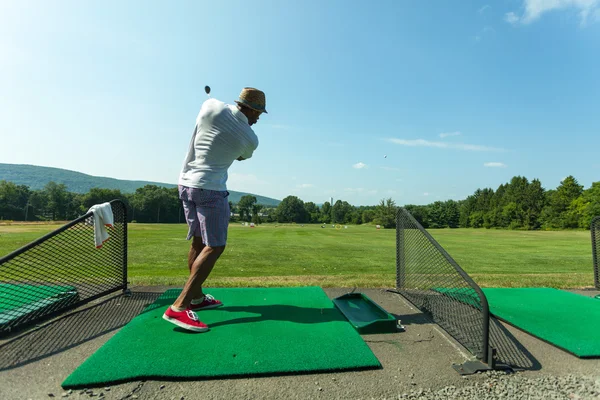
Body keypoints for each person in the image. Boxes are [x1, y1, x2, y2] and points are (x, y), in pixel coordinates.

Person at [163, 87, 267, 332]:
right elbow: (242, 156)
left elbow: (210, 111)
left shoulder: (210, 106)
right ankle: (179, 307)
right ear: (250, 108)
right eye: (258, 113)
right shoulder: (250, 138)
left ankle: (197, 298)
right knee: (215, 246)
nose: (258, 118)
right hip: (211, 190)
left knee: (199, 242)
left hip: (186, 184)